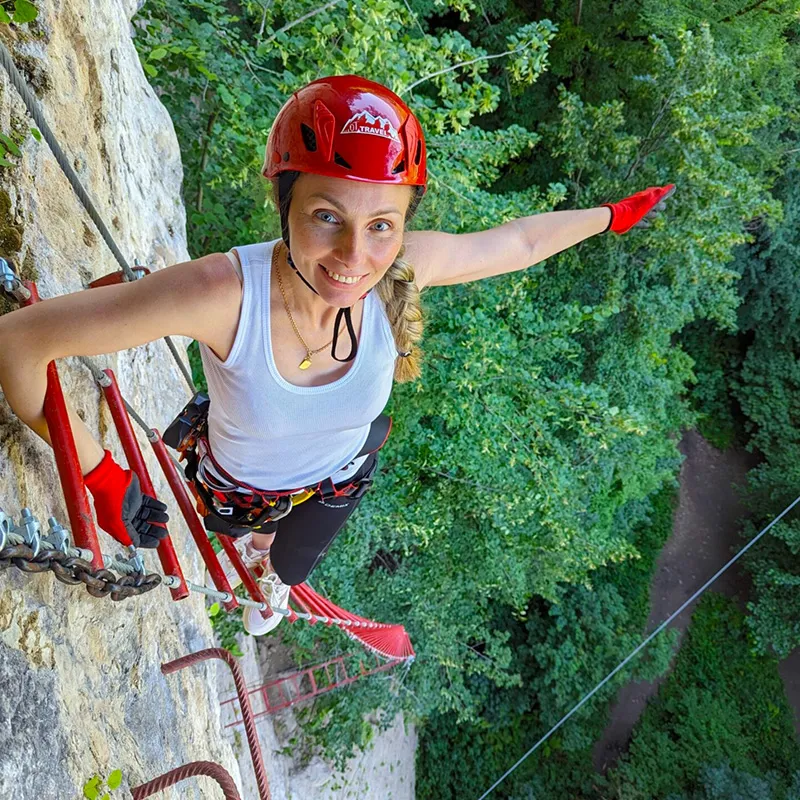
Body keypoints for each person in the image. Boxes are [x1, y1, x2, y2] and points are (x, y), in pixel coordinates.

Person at [0, 74, 675, 635]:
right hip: (242, 487)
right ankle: (263, 558)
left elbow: (520, 243)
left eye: (382, 225)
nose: (356, 258)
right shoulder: (220, 296)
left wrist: (611, 216)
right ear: (285, 205)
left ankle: (275, 573)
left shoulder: (398, 274)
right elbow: (20, 342)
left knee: (293, 567)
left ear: (403, 224)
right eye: (328, 216)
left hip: (343, 468)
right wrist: (102, 476)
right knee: (261, 546)